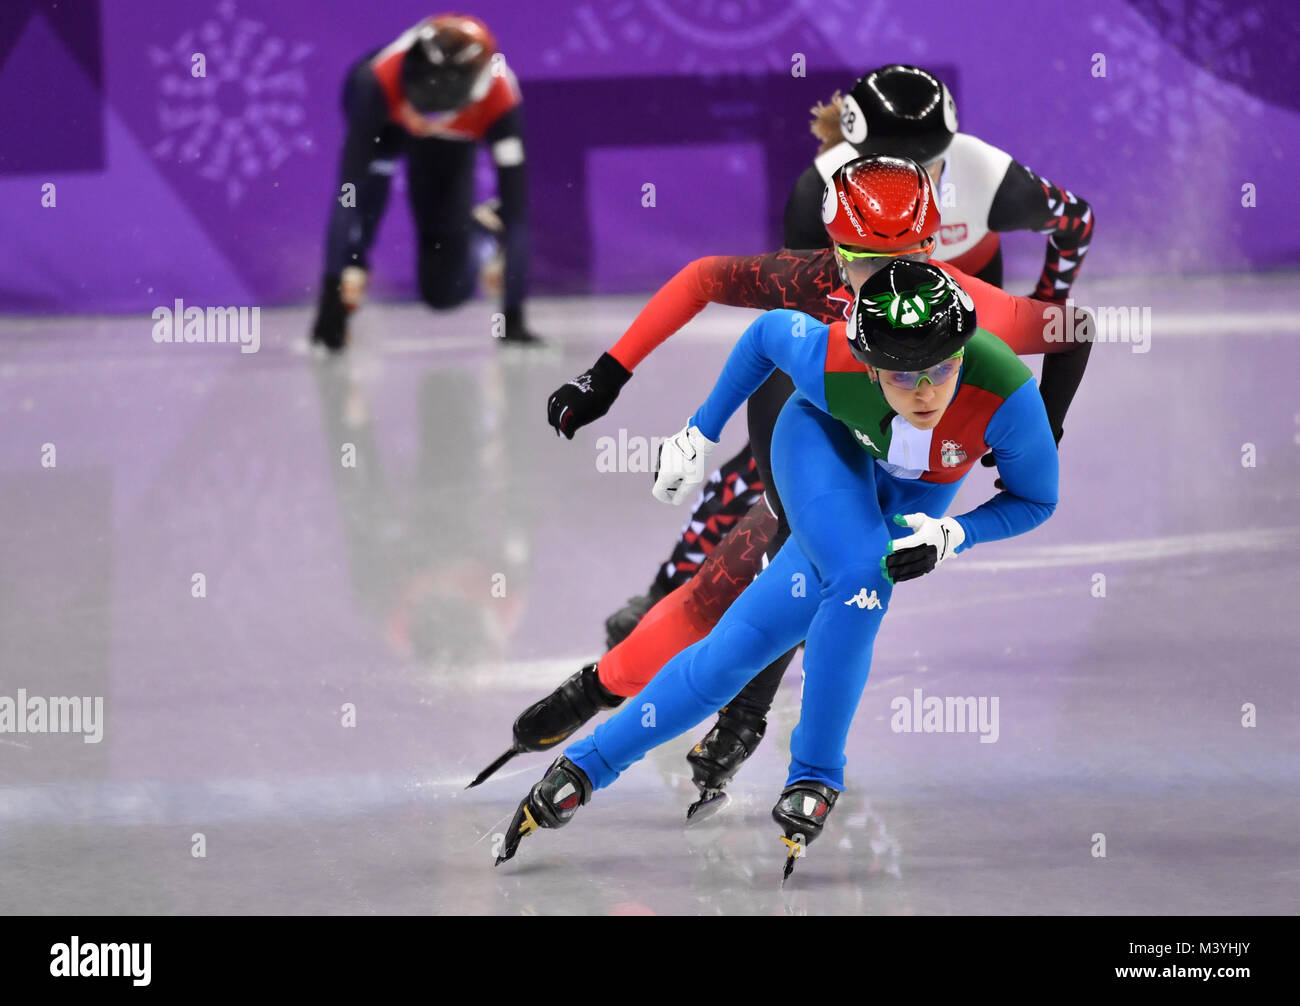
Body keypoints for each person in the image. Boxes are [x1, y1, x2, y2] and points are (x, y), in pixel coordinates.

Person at [466, 156, 1093, 813]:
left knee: (801, 588)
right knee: (746, 585)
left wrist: (1035, 432)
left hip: (891, 462)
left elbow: (1072, 333)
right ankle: (608, 695)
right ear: (835, 253)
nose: (883, 282)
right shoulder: (811, 296)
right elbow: (707, 284)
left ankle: (705, 716)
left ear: (934, 251)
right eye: (863, 264)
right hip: (808, 432)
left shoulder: (973, 321)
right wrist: (615, 383)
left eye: (907, 259)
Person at [311, 14, 539, 351]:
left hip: (447, 145)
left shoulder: (501, 99)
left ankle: (481, 233)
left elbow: (517, 215)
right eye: (421, 99)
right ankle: (352, 272)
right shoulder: (374, 81)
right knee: (367, 195)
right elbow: (348, 191)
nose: (424, 121)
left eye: (439, 110)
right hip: (384, 119)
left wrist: (513, 317)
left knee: (443, 294)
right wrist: (332, 288)